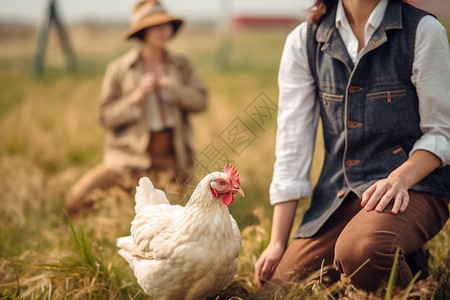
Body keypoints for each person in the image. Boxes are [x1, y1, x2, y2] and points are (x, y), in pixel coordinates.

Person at [255, 0, 450, 293]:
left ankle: (404, 283)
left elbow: (441, 133)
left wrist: (399, 179)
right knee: (275, 290)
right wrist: (277, 242)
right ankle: (407, 261)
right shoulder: (304, 41)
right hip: (340, 196)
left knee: (361, 252)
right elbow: (292, 148)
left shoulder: (423, 30)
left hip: (415, 186)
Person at [64, 0, 208, 218]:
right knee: (74, 202)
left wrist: (174, 89)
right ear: (143, 32)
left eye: (166, 25)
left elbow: (201, 102)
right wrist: (135, 98)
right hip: (128, 161)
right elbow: (104, 117)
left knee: (174, 217)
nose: (164, 31)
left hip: (172, 164)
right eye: (156, 26)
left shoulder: (182, 65)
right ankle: (127, 193)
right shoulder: (119, 69)